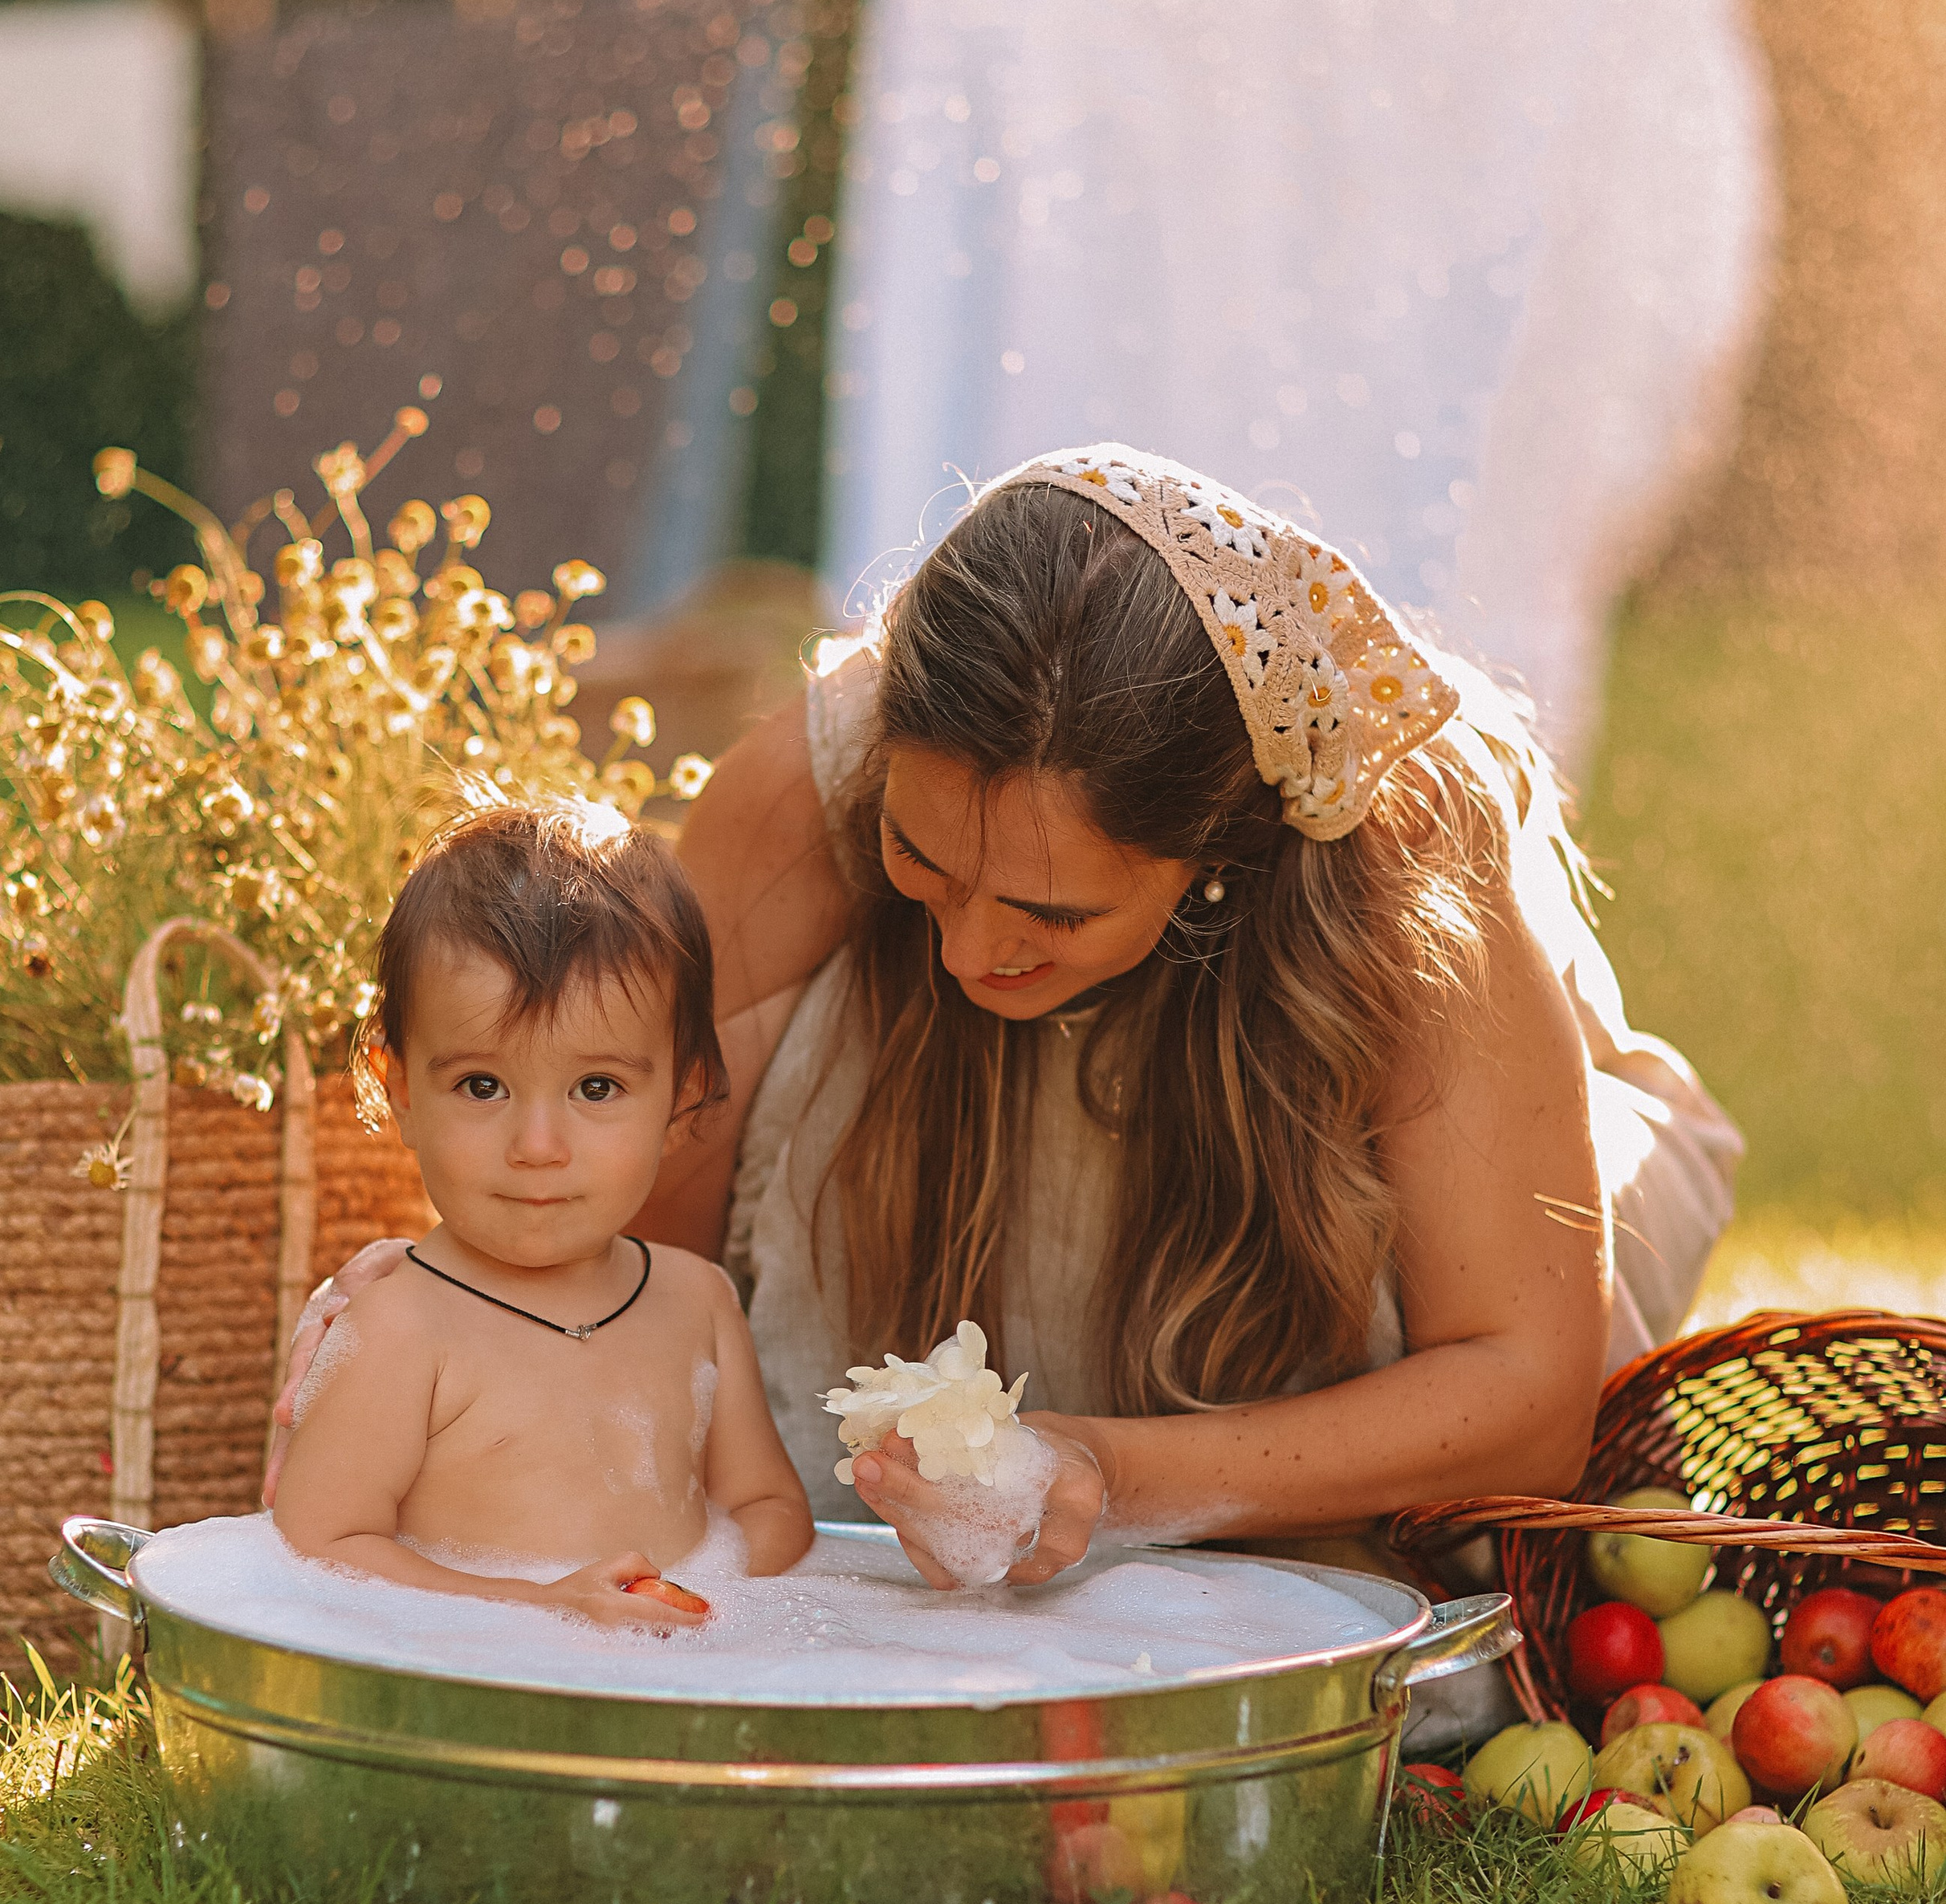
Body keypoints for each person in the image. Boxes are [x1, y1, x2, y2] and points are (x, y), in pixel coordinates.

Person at [272, 444, 1739, 1595]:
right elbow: (622, 1113)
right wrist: (491, 1370)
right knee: (743, 1009)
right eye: (925, 866)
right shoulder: (817, 779)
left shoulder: (1397, 861)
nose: (973, 948)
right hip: (948, 1171)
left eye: (1049, 916)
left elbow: (1524, 1391)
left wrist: (1107, 1467)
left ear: (1211, 854)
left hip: (1356, 1246)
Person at [270, 793, 813, 1625]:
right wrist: (539, 1609)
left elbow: (770, 1509)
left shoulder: (697, 1301)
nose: (537, 1145)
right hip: (467, 1687)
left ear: (683, 1094)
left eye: (597, 1088)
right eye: (481, 1085)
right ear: (400, 1088)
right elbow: (319, 1549)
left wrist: (713, 1608)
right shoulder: (402, 1328)